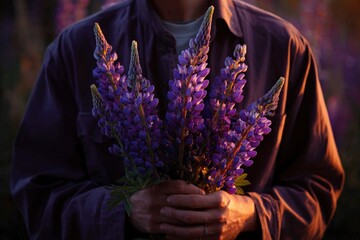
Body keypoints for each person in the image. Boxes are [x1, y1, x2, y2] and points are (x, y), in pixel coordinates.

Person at [10, 0, 344, 239]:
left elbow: (318, 189)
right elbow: (37, 193)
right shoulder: (75, 47)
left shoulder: (284, 47)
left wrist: (251, 215)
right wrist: (121, 212)